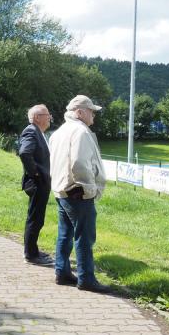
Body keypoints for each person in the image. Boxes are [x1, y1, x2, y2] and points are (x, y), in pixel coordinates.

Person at [49, 95, 109, 293]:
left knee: (65, 234)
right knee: (84, 236)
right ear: (80, 112)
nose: (94, 115)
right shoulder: (80, 131)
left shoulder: (59, 132)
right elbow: (79, 163)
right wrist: (88, 188)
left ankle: (62, 272)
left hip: (62, 190)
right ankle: (86, 279)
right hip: (77, 192)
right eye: (91, 111)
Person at [19, 104, 53, 266]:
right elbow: (25, 153)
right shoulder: (31, 131)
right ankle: (31, 255)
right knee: (35, 218)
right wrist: (36, 173)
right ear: (37, 117)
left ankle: (33, 250)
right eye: (47, 115)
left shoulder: (38, 132)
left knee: (38, 218)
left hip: (42, 182)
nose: (50, 117)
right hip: (38, 182)